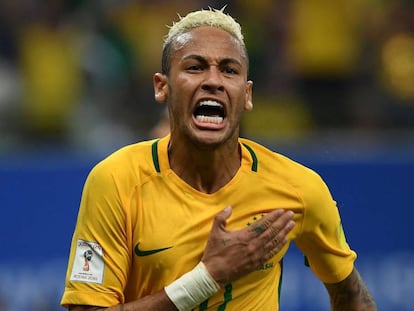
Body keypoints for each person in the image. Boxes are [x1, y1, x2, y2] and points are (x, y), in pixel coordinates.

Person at [60, 7, 377, 311]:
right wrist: (208, 277)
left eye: (229, 70)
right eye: (195, 67)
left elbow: (348, 292)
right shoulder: (115, 181)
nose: (213, 80)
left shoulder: (298, 189)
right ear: (162, 87)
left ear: (247, 94)